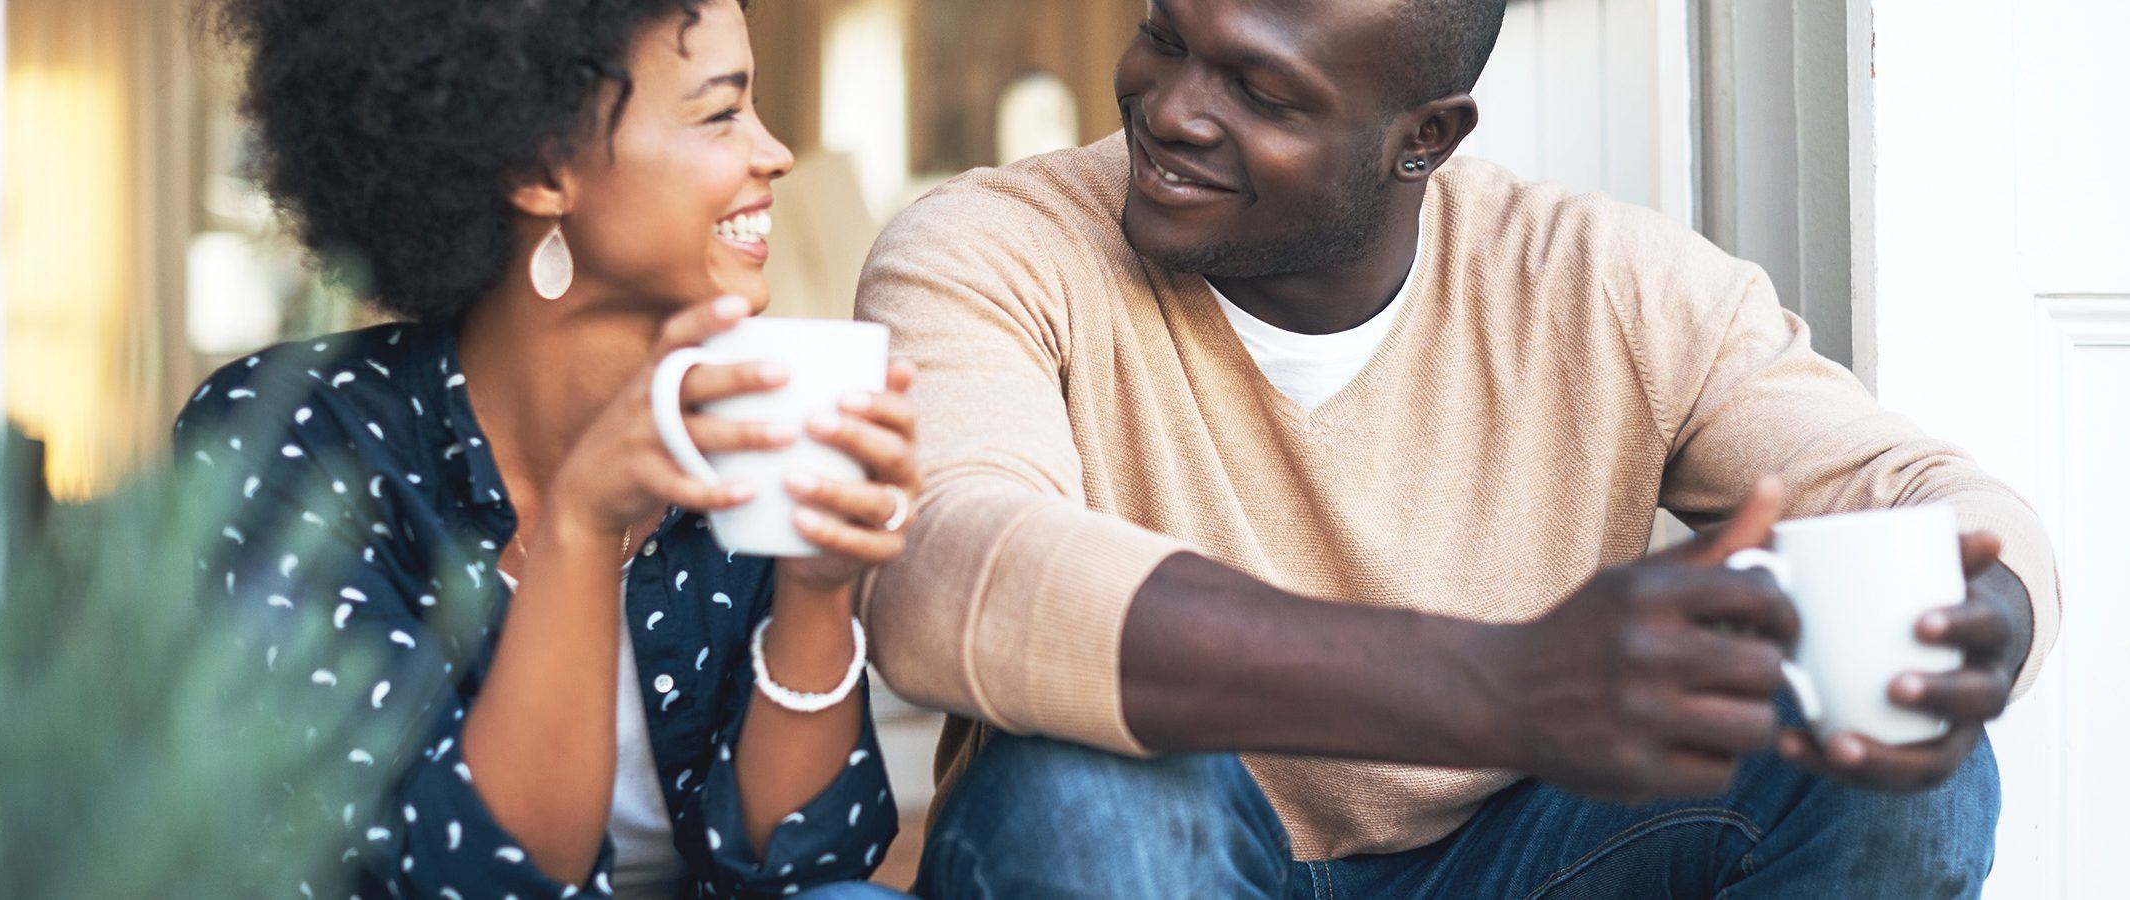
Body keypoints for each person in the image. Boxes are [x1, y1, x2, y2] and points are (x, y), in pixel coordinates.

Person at [854, 0, 2059, 896]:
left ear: (1421, 136)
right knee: (1080, 787)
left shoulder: (1608, 285)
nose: (1171, 110)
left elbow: (1918, 494)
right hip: (1165, 854)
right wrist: (1504, 688)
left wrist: (1979, 618)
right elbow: (947, 572)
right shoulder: (989, 247)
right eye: (1168, 36)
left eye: (1261, 94)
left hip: (1522, 862)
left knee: (1905, 761)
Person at [177, 1, 915, 896]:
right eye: (721, 111)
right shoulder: (297, 439)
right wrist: (580, 520)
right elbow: (468, 878)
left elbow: (807, 866)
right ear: (540, 167)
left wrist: (815, 583)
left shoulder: (740, 423)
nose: (775, 153)